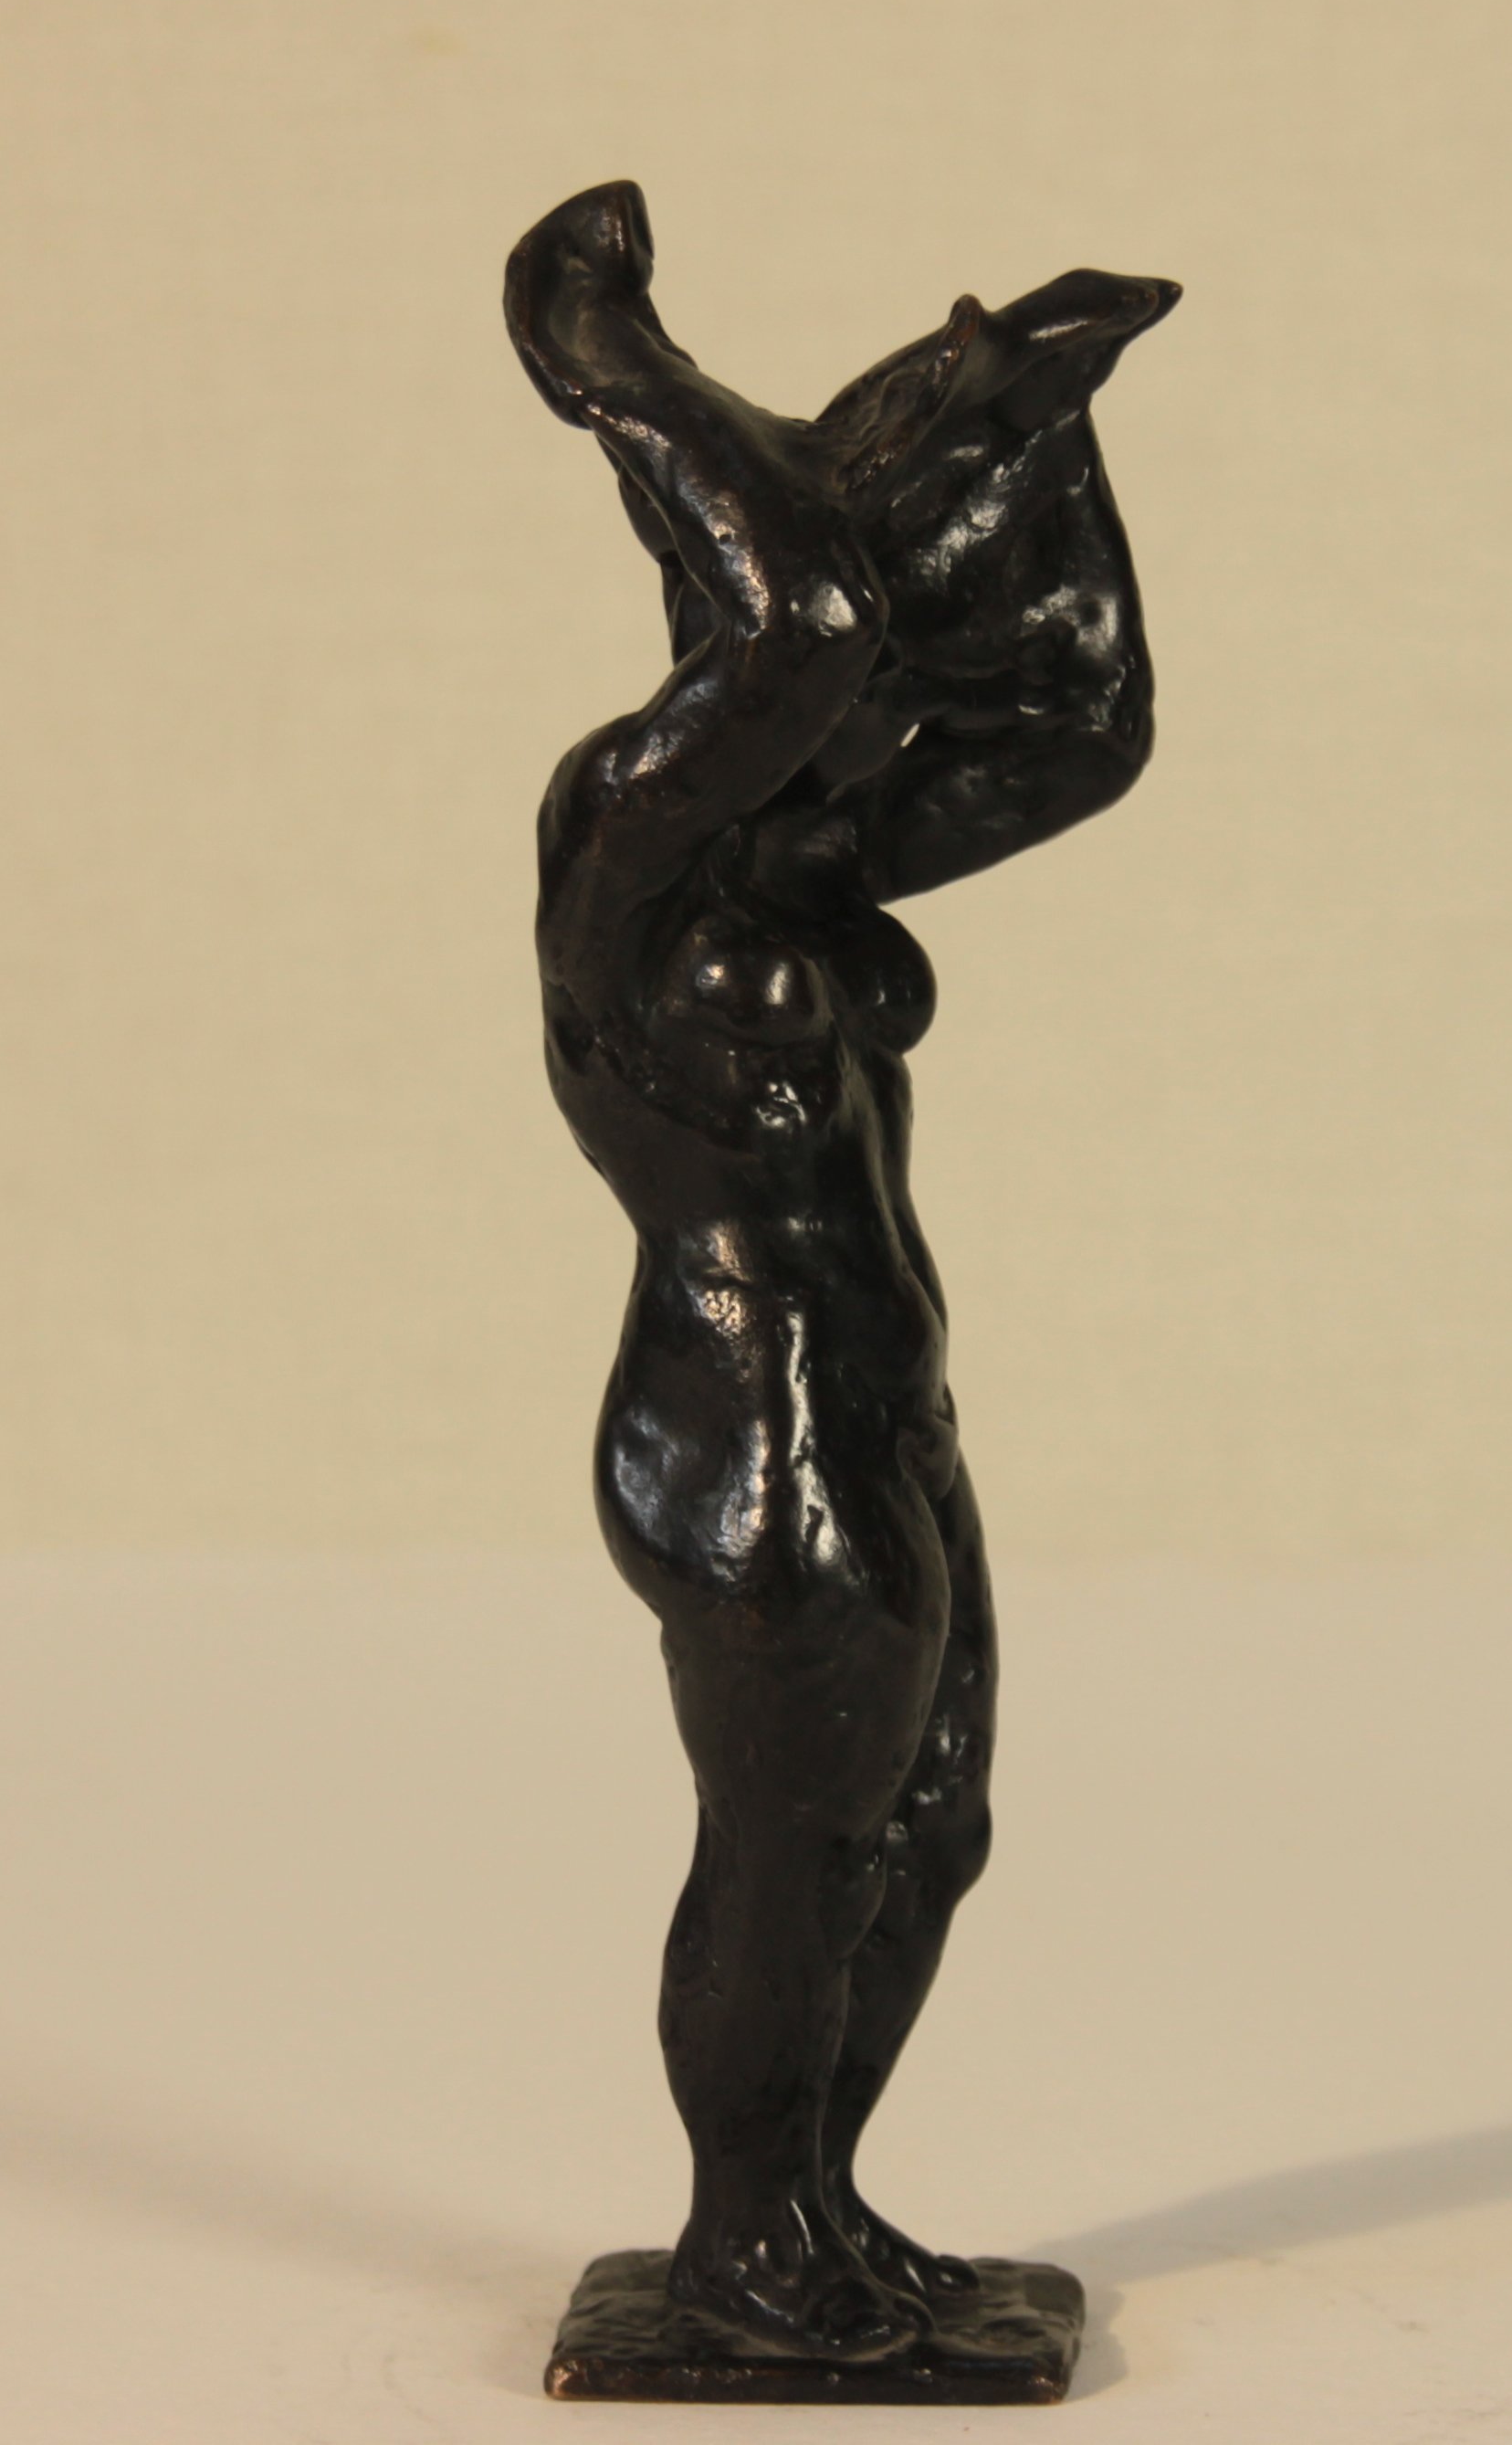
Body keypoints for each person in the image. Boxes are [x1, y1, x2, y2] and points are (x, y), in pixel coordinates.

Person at [507, 181, 1176, 2361]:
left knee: (930, 1823)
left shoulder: (800, 869)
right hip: (747, 1441)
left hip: (877, 1417)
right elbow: (798, 623)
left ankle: (817, 2213)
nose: (869, 681)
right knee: (795, 1843)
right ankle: (745, 2252)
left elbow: (1081, 729)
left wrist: (1028, 421)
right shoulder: (620, 861)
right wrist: (621, 368)